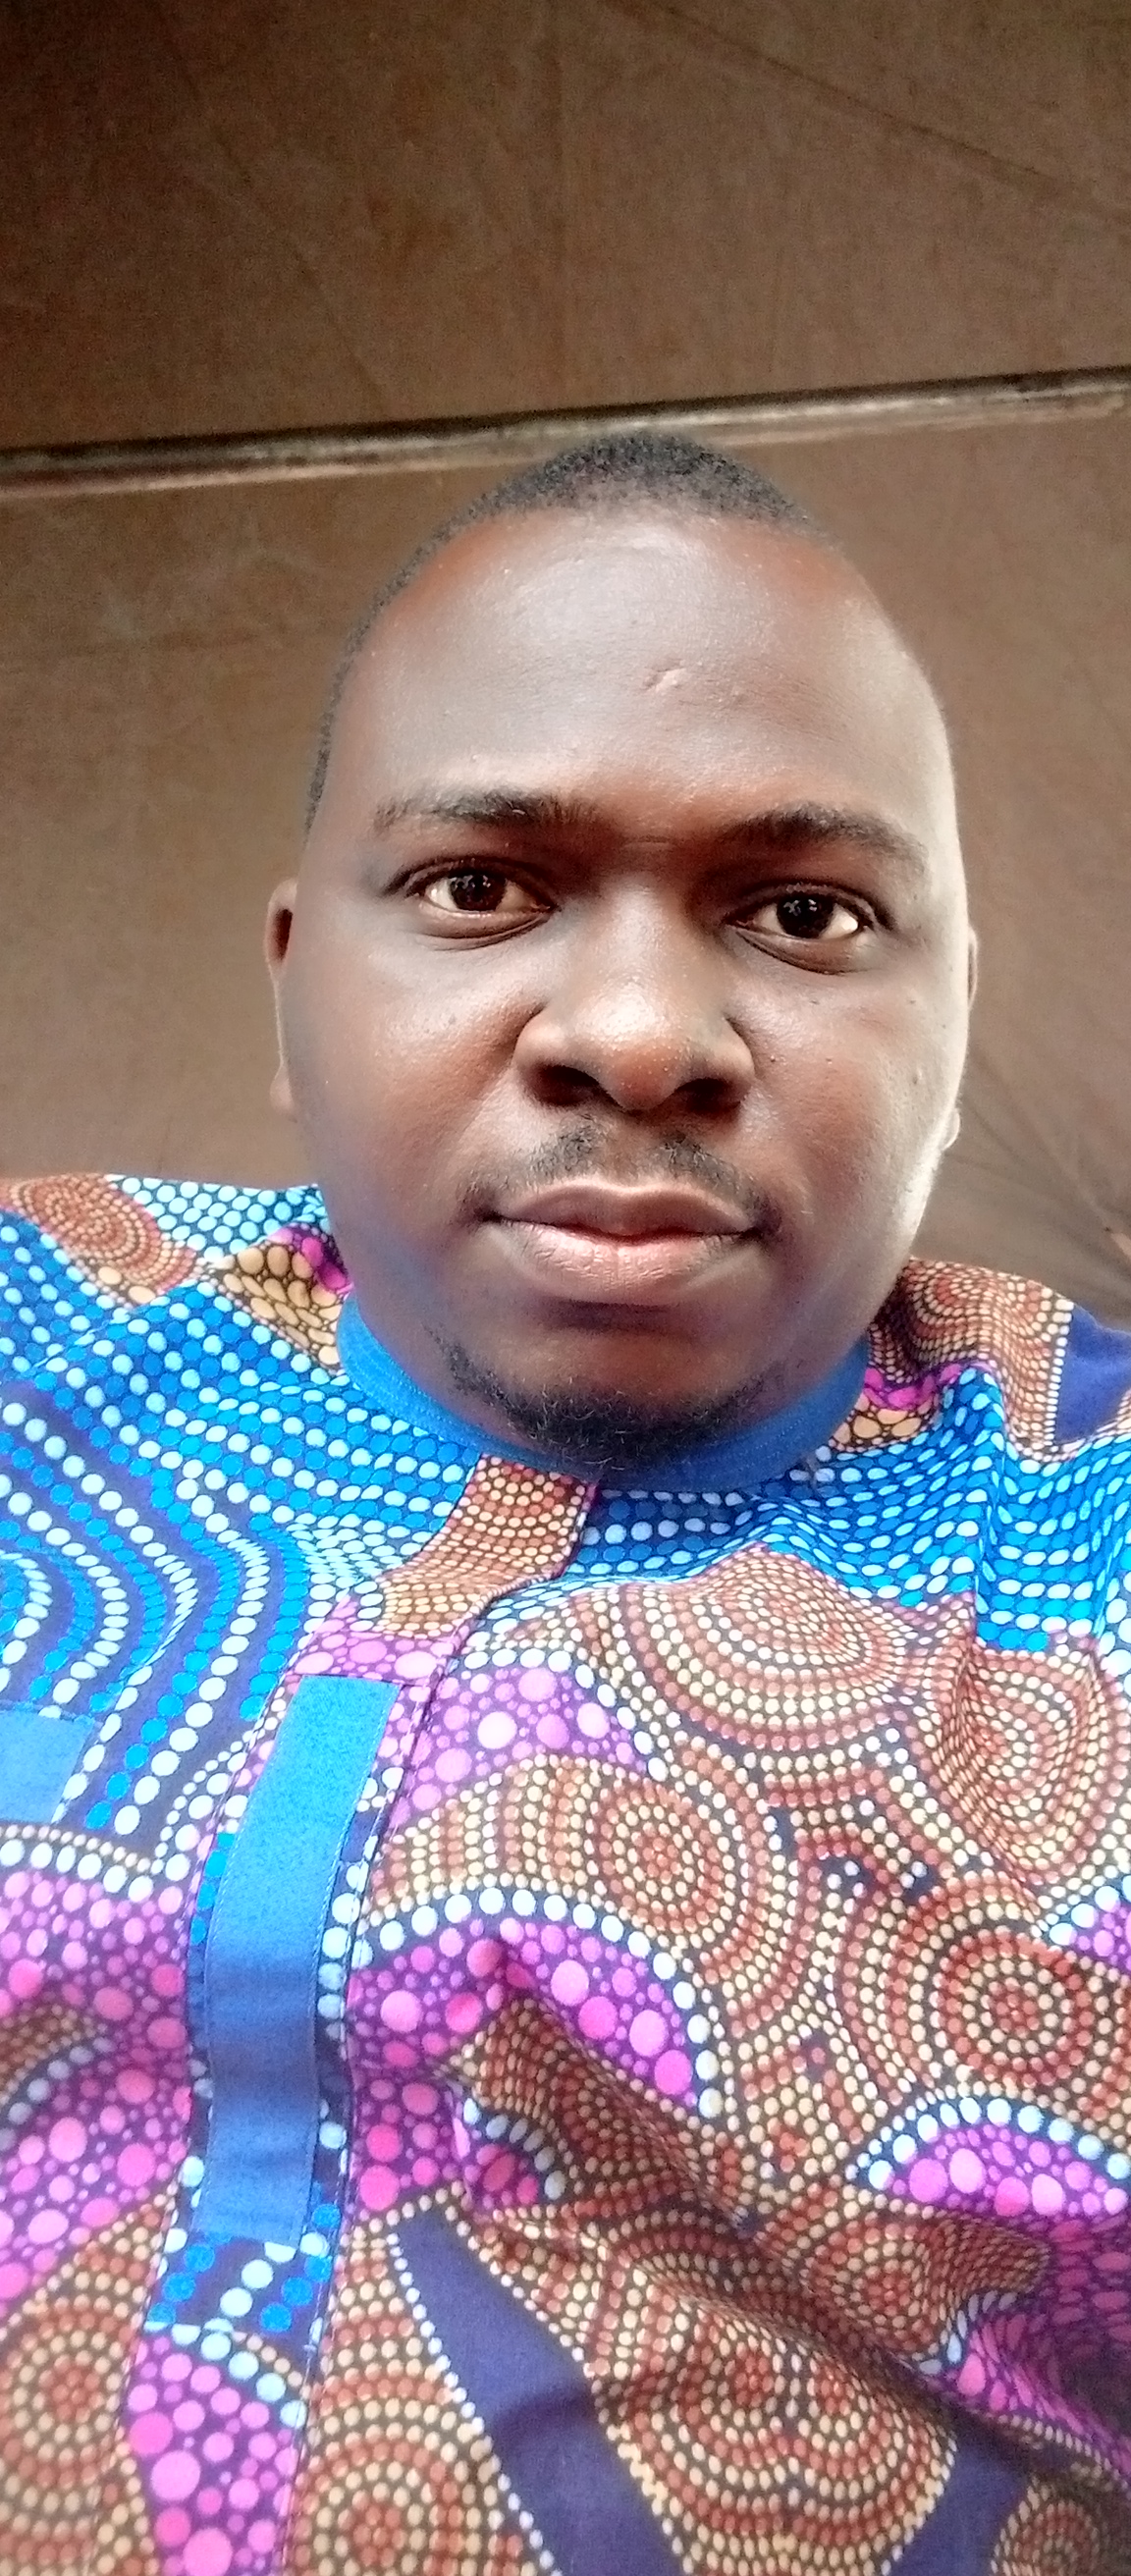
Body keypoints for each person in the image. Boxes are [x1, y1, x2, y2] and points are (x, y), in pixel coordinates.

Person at [0, 433, 1129, 2576]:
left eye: (803, 914)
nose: (633, 1032)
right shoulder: (37, 1341)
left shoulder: (1089, 1543)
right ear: (292, 983)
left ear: (952, 1021)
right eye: (482, 888)